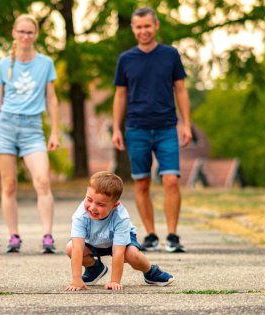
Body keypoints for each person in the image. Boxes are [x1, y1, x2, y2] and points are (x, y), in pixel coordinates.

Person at [111, 7, 192, 253]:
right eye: (139, 27)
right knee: (142, 183)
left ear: (156, 26)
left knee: (170, 181)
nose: (143, 30)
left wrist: (186, 123)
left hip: (167, 126)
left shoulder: (170, 55)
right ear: (133, 29)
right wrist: (116, 128)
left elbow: (181, 89)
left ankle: (173, 235)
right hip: (136, 128)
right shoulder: (126, 59)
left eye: (147, 26)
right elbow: (120, 95)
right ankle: (151, 235)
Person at [0, 14, 59, 254]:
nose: (25, 36)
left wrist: (55, 131)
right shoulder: (3, 65)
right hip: (6, 126)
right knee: (9, 184)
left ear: (36, 35)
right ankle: (14, 236)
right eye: (21, 32)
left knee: (43, 181)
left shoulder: (45, 63)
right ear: (14, 33)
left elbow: (52, 98)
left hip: (33, 127)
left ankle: (47, 236)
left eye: (30, 32)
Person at [65, 171, 174, 291]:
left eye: (100, 204)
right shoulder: (80, 215)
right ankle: (94, 268)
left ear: (115, 205)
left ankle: (150, 272)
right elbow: (77, 248)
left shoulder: (121, 217)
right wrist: (76, 279)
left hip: (118, 243)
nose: (92, 207)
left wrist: (114, 281)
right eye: (89, 199)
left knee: (132, 254)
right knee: (70, 248)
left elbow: (118, 253)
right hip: (93, 241)